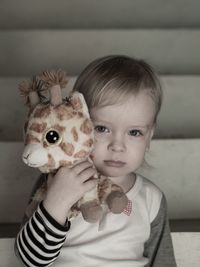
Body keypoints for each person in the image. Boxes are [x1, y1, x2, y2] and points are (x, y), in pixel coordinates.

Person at [15, 55, 177, 267]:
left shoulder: (151, 199)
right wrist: (57, 202)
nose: (117, 146)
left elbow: (163, 262)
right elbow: (29, 259)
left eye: (135, 132)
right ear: (77, 123)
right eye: (101, 128)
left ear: (149, 136)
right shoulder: (56, 182)